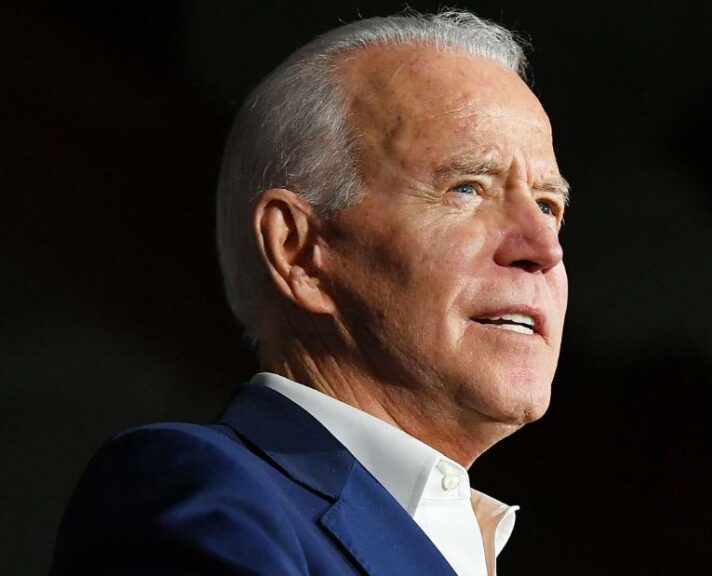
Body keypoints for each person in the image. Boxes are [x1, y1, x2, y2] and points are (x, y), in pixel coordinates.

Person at [50, 10, 569, 576]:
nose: (544, 247)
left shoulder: (465, 537)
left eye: (548, 204)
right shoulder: (201, 493)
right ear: (298, 251)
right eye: (466, 188)